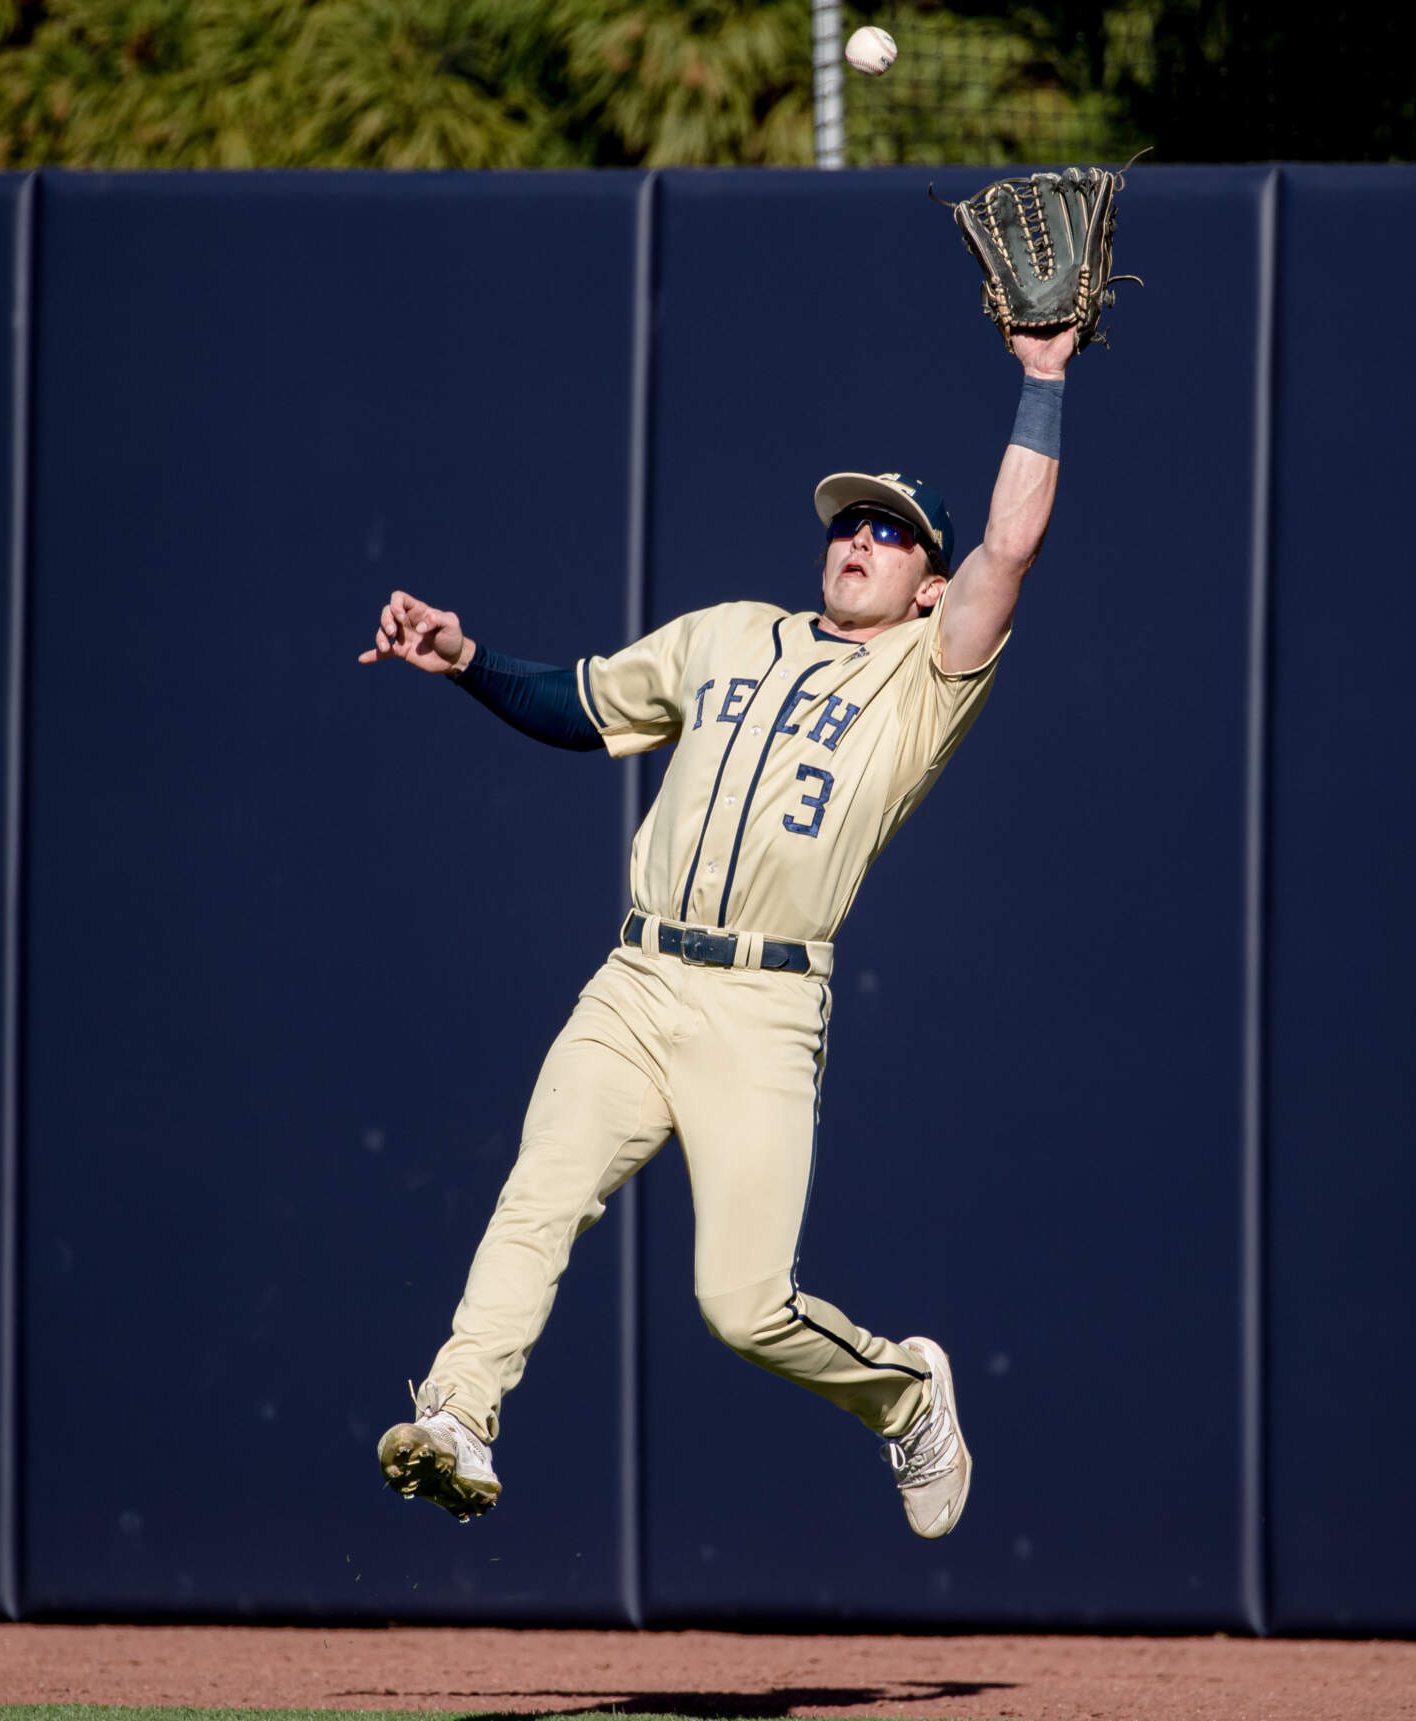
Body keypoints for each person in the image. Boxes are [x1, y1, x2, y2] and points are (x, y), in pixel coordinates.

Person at [357, 326, 1076, 1539]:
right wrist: (468, 660)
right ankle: (462, 1416)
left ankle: (903, 1394)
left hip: (761, 1007)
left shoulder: (929, 674)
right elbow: (582, 705)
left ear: (931, 583)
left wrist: (1044, 380)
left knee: (741, 1305)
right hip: (637, 976)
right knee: (540, 1191)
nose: (860, 539)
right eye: (850, 521)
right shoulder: (729, 631)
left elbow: (1011, 542)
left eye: (892, 530)